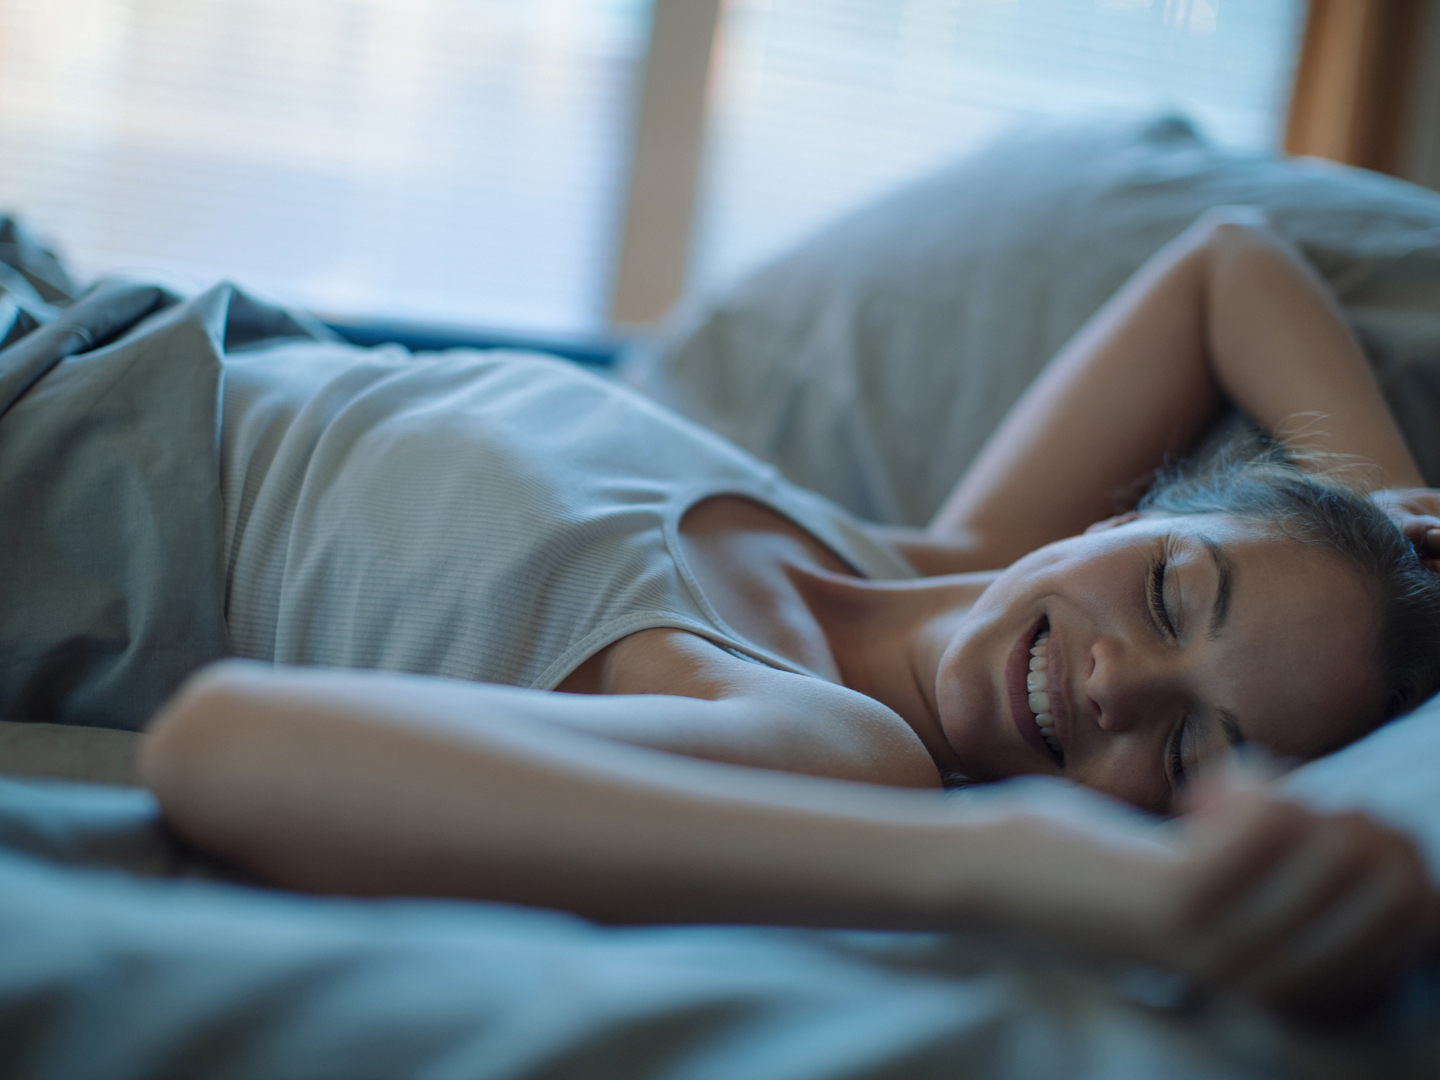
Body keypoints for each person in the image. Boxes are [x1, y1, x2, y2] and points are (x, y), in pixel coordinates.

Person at [139, 209, 1440, 1013]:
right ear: (1126, 514)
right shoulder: (925, 549)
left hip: (83, 459)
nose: (1121, 687)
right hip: (142, 329)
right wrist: (1383, 503)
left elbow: (223, 750)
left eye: (1193, 751)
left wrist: (1026, 872)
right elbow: (1228, 263)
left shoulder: (838, 744)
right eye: (1171, 590)